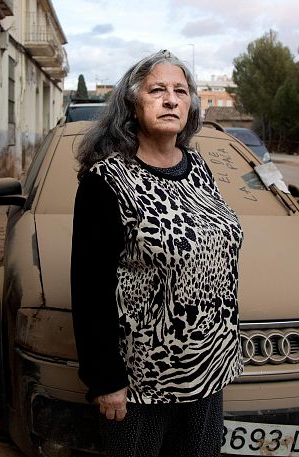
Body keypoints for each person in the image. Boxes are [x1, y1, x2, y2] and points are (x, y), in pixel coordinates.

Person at [70, 50, 244, 457]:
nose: (171, 100)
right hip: (141, 381)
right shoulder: (107, 180)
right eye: (158, 90)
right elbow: (89, 288)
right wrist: (105, 380)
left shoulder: (198, 166)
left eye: (181, 91)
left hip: (208, 370)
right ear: (133, 103)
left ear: (191, 105)